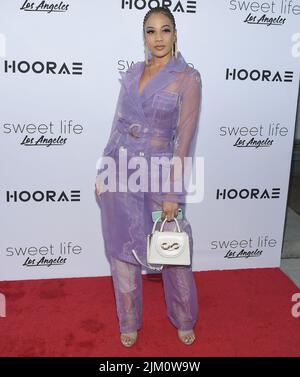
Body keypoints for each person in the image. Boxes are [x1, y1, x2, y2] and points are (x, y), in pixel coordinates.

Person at [95, 6, 202, 347]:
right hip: (121, 171)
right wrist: (103, 169)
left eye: (165, 30)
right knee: (122, 251)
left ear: (175, 33)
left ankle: (184, 317)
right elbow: (118, 125)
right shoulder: (130, 74)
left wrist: (174, 193)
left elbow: (184, 142)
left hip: (160, 173)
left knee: (172, 250)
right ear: (143, 36)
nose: (158, 38)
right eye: (151, 31)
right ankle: (128, 321)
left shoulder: (187, 77)